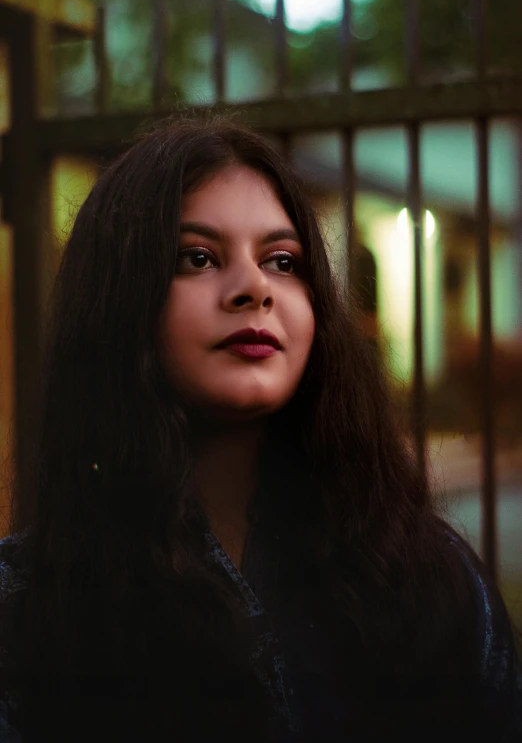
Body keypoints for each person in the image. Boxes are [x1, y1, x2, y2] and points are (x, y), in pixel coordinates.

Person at [0, 118, 520, 742]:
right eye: (197, 257)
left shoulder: (434, 578)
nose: (254, 288)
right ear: (117, 302)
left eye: (282, 261)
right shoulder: (26, 609)